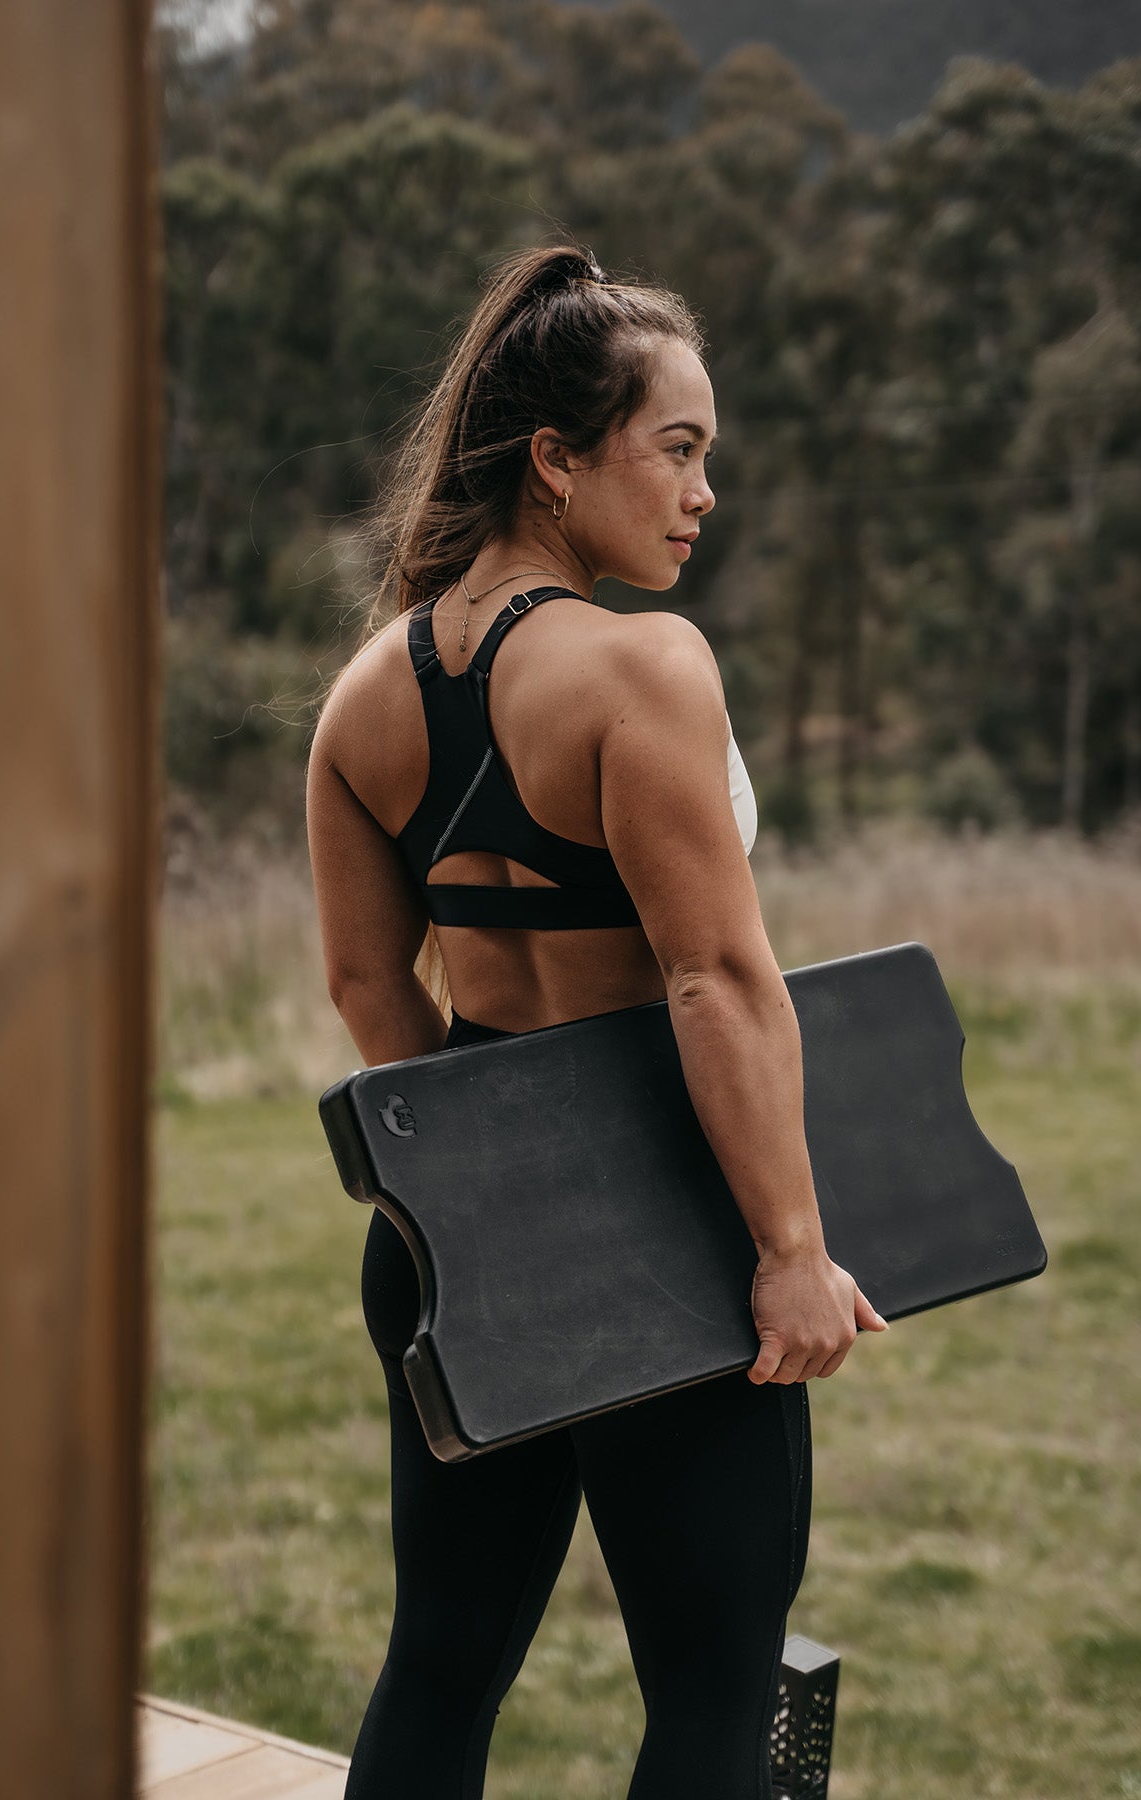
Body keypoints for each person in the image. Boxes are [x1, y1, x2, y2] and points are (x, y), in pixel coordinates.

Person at [306, 244, 887, 1800]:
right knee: (712, 1680)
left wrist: (491, 1191)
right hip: (670, 1214)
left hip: (455, 1217)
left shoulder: (367, 689)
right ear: (558, 461)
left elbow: (371, 993)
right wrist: (787, 1250)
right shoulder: (644, 664)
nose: (704, 494)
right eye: (678, 450)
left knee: (443, 1651)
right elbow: (716, 980)